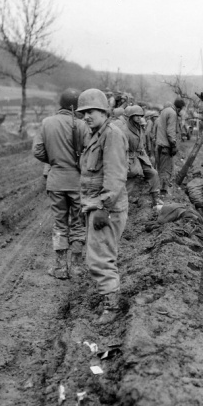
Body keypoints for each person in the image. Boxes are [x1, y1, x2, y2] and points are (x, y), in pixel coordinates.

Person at [76, 88, 129, 325]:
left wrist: (103, 208)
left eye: (91, 111)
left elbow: (115, 176)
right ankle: (110, 297)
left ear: (103, 111)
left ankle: (112, 306)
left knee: (100, 258)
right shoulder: (93, 134)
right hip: (95, 204)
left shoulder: (112, 135)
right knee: (99, 254)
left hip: (107, 206)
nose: (86, 116)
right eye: (83, 112)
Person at [33, 88, 89, 279]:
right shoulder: (81, 125)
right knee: (78, 222)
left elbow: (37, 151)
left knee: (59, 223)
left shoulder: (47, 122)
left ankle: (59, 267)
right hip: (77, 181)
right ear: (75, 106)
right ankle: (76, 266)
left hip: (55, 181)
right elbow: (89, 152)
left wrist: (54, 161)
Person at [120, 105, 162, 206]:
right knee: (132, 178)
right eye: (136, 116)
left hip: (141, 157)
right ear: (131, 116)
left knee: (154, 173)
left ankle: (155, 198)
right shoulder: (124, 130)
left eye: (140, 115)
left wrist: (147, 159)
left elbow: (141, 146)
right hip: (129, 159)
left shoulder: (139, 128)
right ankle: (123, 204)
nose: (139, 117)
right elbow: (121, 149)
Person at [155, 98, 185, 195]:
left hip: (160, 144)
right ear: (179, 108)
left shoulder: (165, 111)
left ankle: (159, 190)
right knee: (166, 170)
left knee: (161, 169)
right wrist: (174, 145)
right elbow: (170, 132)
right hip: (166, 146)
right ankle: (162, 193)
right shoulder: (172, 113)